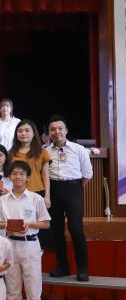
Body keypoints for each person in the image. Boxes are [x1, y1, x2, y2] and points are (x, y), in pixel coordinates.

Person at [0, 160, 51, 300]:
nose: (18, 176)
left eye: (21, 174)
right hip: (10, 245)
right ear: (9, 177)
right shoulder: (2, 200)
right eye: (14, 173)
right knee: (12, 289)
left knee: (33, 290)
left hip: (30, 245)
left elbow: (46, 223)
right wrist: (6, 225)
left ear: (28, 177)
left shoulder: (36, 199)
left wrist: (30, 224)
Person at [45, 115, 93, 281]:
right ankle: (63, 267)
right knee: (56, 230)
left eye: (60, 128)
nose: (56, 132)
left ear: (66, 130)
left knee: (76, 229)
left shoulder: (78, 149)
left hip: (73, 188)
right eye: (53, 129)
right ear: (49, 132)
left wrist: (76, 187)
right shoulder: (46, 151)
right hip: (53, 189)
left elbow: (87, 173)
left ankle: (83, 269)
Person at [8, 119, 51, 208]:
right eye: (20, 131)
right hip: (16, 192)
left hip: (37, 191)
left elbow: (45, 175)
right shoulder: (10, 153)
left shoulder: (42, 152)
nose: (23, 133)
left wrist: (47, 196)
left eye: (27, 130)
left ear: (34, 133)